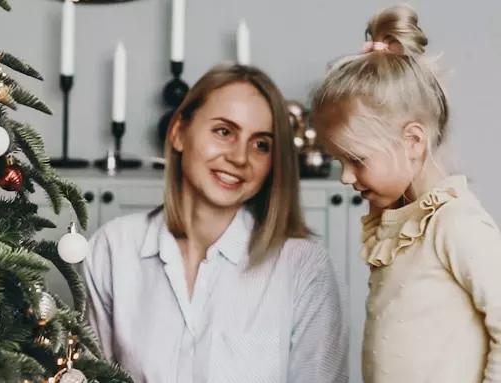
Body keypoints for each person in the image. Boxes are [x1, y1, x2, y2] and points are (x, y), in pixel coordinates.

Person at [83, 63, 348, 383]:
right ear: (179, 132)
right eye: (224, 132)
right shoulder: (113, 248)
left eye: (261, 144)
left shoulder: (304, 267)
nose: (239, 157)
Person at [309, 4, 501, 383]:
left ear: (413, 141)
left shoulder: (455, 223)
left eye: (356, 159)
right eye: (338, 161)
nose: (346, 177)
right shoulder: (396, 225)